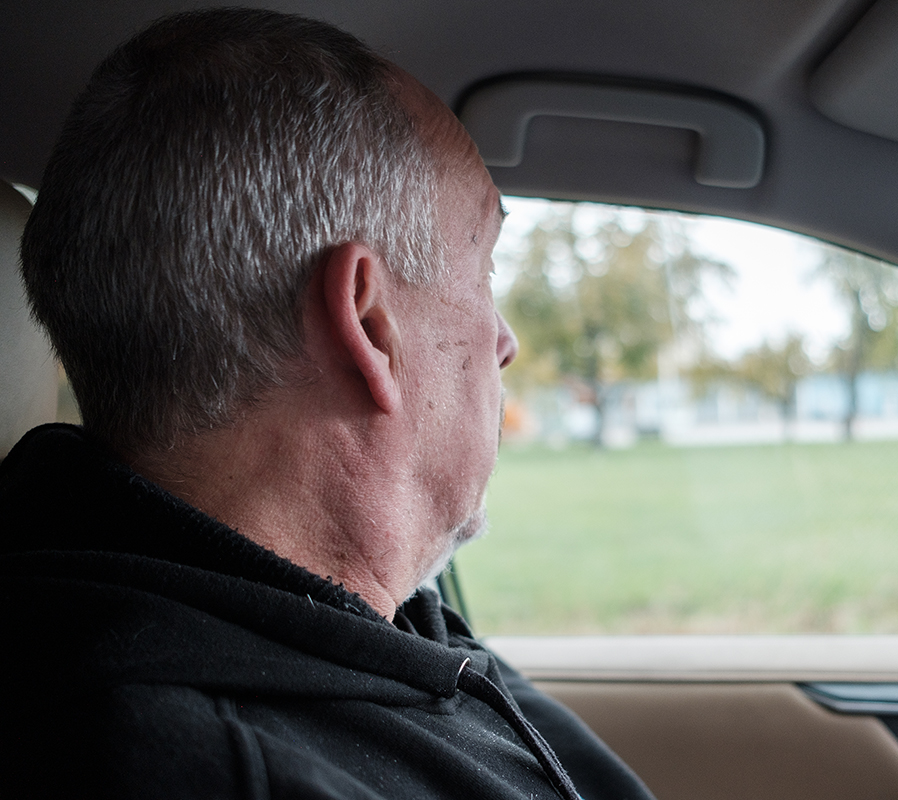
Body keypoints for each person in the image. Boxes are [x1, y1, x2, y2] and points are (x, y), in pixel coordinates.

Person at [0, 9, 654, 800]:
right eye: (482, 267)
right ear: (370, 325)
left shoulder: (361, 615)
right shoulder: (208, 767)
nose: (504, 339)